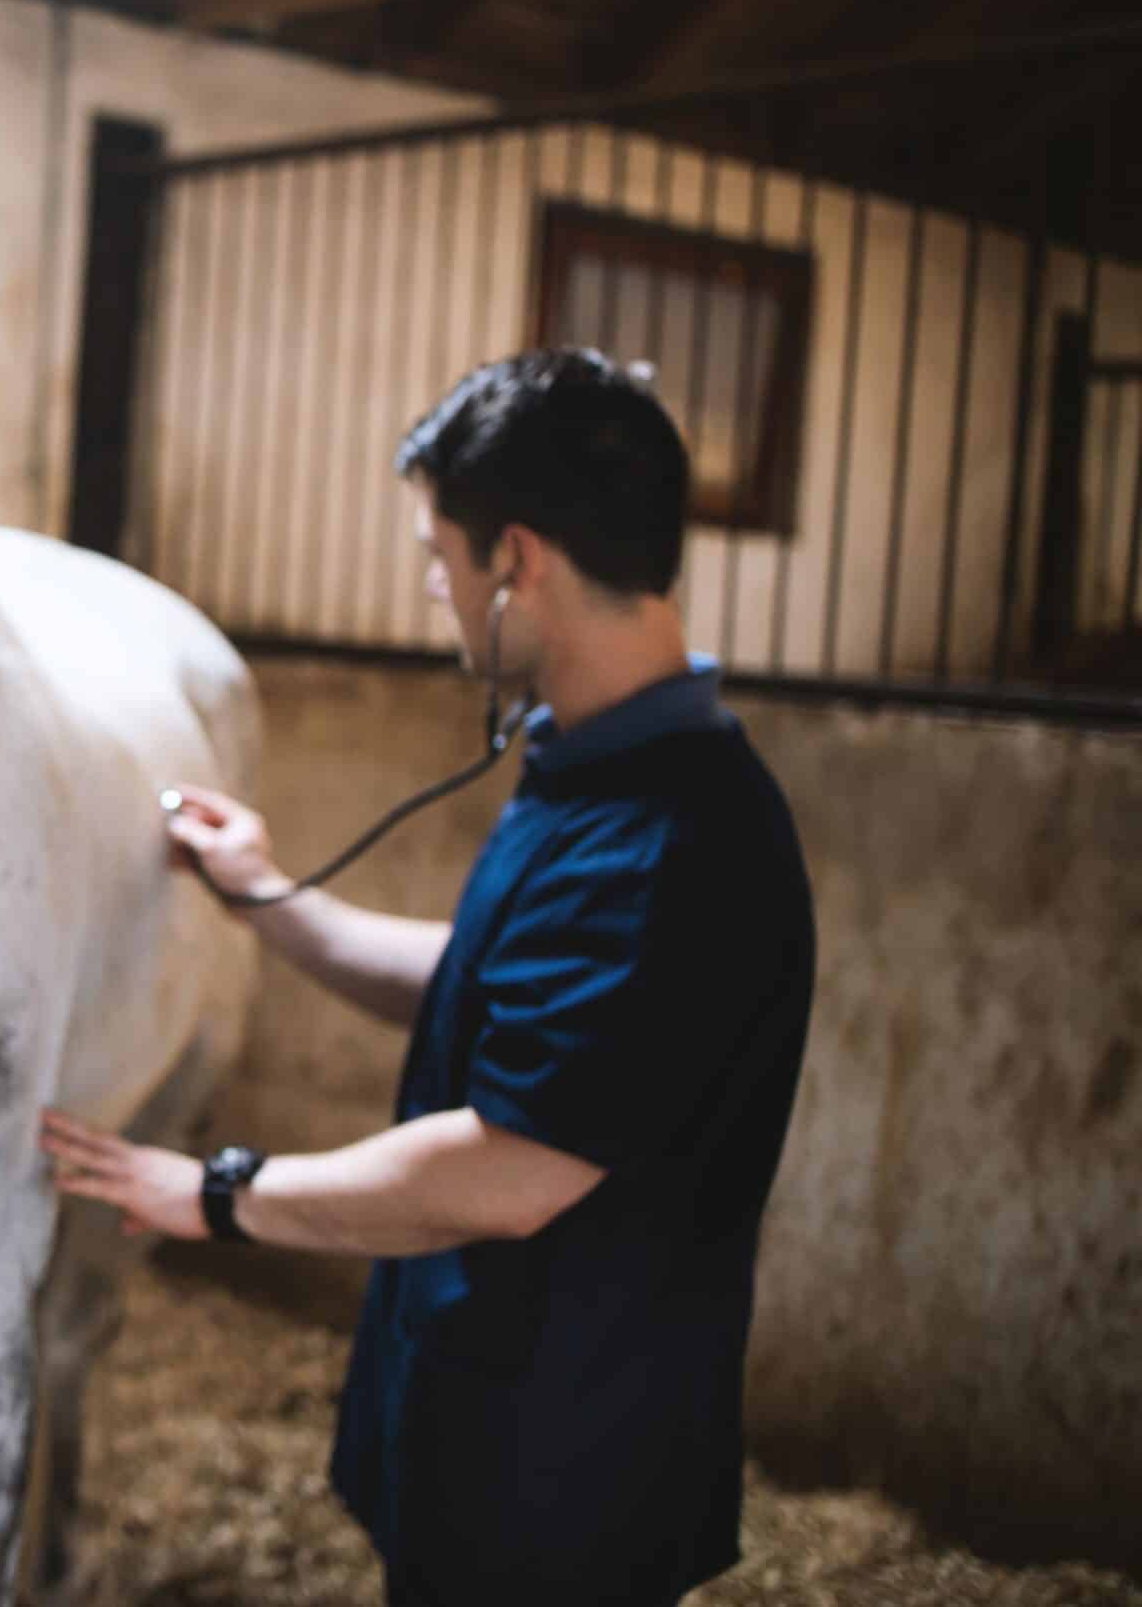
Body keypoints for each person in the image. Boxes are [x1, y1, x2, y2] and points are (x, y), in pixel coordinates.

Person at [42, 350, 816, 1607]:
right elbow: (487, 987)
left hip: (563, 1479)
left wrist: (214, 1195)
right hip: (494, 1421)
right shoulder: (592, 767)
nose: (430, 588)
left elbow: (507, 1169)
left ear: (514, 561)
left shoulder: (669, 844)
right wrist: (268, 899)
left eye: (437, 554)